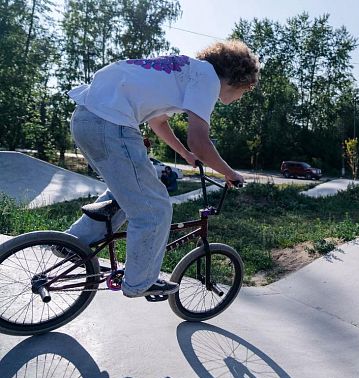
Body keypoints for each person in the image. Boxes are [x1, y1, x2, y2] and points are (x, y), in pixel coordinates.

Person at [64, 40, 258, 298]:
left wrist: (185, 155)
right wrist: (229, 173)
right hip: (112, 124)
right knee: (155, 209)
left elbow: (158, 123)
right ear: (238, 78)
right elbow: (200, 141)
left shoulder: (186, 71)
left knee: (129, 193)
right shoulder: (209, 79)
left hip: (86, 119)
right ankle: (140, 282)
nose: (239, 98)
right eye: (244, 92)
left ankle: (72, 244)